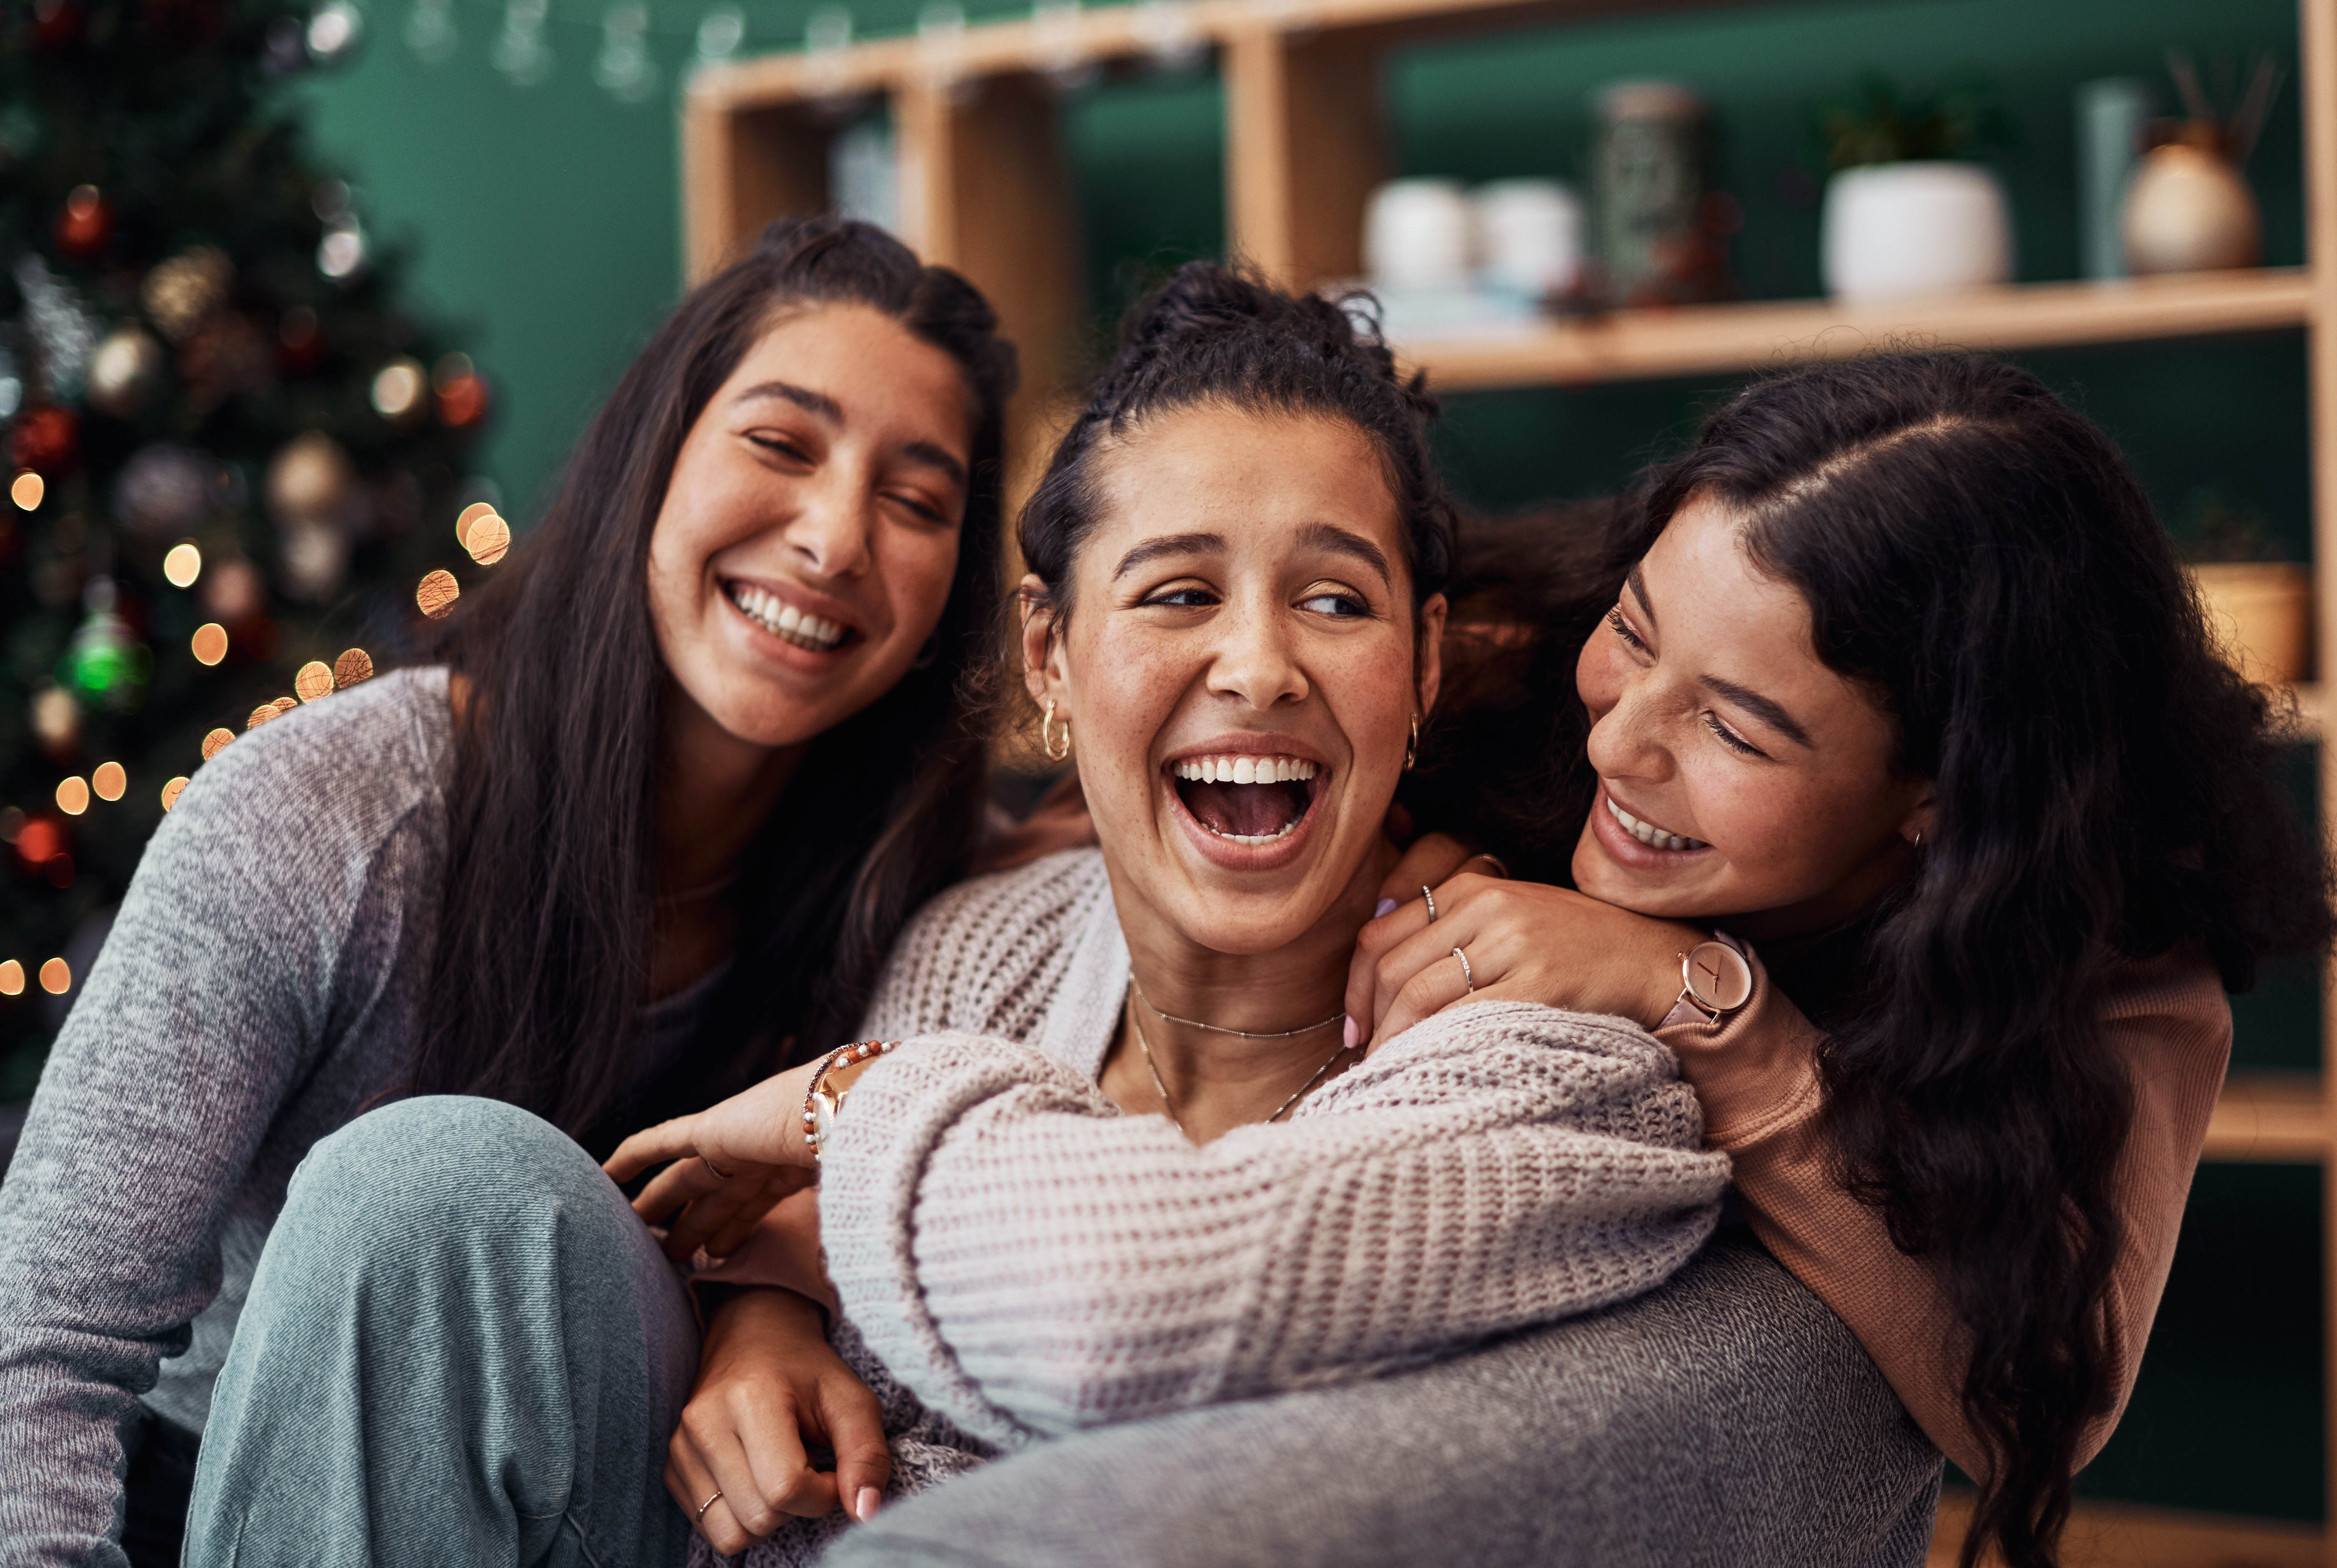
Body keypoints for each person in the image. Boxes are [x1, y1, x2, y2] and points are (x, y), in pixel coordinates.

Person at [651, 352, 2329, 1568]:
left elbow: (2032, 1396)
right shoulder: (1497, 669)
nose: (1627, 745)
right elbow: (1121, 822)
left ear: (1930, 803)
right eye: (1639, 637)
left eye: (1735, 728)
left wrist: (1703, 1009)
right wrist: (763, 1297)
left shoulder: (2108, 968)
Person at [176, 263, 1731, 1568]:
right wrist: (763, 1310)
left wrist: (851, 1104)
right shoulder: (980, 944)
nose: (1259, 667)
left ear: (1429, 662)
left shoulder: (1548, 1051)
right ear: (1050, 660)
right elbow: (804, 1241)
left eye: (1334, 601)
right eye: (1179, 593)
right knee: (437, 1174)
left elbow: (1138, 1299)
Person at [0, 215, 1017, 1568]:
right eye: (781, 442)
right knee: (436, 1184)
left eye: (918, 501)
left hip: (617, 1507)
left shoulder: (928, 902)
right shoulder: (339, 809)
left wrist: (1406, 870)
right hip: (222, 1505)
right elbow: (41, 1342)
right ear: (650, 459)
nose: (836, 537)